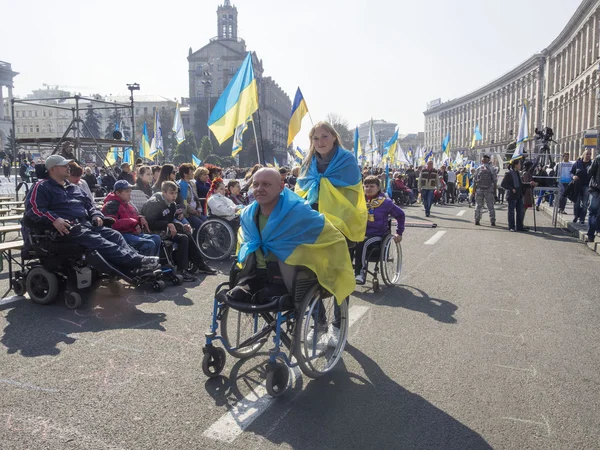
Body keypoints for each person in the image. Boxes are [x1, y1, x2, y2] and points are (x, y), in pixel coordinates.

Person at [224, 168, 354, 349]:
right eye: (256, 184)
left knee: (266, 296)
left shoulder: (299, 212)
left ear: (281, 187)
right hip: (258, 274)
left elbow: (330, 236)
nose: (260, 188)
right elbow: (244, 243)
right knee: (233, 294)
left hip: (287, 277)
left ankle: (324, 323)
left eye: (267, 184)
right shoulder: (247, 214)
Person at [25, 155, 160, 276]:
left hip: (86, 224)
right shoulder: (42, 186)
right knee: (98, 240)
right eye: (64, 165)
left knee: (114, 235)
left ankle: (133, 263)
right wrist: (54, 219)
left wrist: (96, 215)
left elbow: (90, 205)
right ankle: (136, 261)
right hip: (65, 229)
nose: (68, 167)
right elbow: (34, 209)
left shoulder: (74, 187)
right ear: (53, 169)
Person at [295, 121, 367, 347]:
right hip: (312, 223)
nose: (320, 142)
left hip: (340, 224)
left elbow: (351, 192)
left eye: (324, 136)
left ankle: (338, 325)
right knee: (308, 274)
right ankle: (319, 324)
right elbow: (301, 190)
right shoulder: (307, 162)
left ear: (334, 137)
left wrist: (325, 188)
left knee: (337, 275)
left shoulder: (346, 160)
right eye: (315, 138)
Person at [142, 180, 216, 280]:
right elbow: (150, 222)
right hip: (152, 232)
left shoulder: (172, 204)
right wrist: (168, 224)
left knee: (186, 232)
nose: (174, 196)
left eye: (176, 193)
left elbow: (171, 219)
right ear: (164, 192)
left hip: (166, 229)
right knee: (183, 238)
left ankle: (200, 264)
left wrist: (181, 225)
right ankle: (182, 270)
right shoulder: (153, 203)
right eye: (171, 193)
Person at [354, 176, 405, 285]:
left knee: (363, 242)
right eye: (366, 186)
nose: (368, 188)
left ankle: (360, 273)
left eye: (372, 186)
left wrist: (399, 232)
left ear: (378, 188)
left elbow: (400, 215)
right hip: (359, 232)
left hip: (378, 235)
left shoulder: (385, 203)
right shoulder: (359, 201)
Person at [102, 180, 162, 257]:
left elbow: (132, 218)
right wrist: (133, 222)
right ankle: (144, 266)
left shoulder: (126, 203)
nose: (130, 193)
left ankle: (153, 264)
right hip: (120, 235)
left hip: (131, 232)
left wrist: (140, 218)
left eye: (130, 191)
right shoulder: (111, 205)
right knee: (149, 244)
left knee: (156, 238)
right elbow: (111, 224)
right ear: (118, 193)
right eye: (127, 191)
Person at [501, 157, 526, 232]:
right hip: (512, 195)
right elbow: (503, 184)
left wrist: (529, 185)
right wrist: (511, 189)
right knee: (511, 212)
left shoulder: (518, 173)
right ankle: (511, 226)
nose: (520, 165)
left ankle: (519, 226)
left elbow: (520, 184)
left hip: (519, 194)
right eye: (519, 164)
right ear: (515, 165)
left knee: (520, 211)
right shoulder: (509, 174)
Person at [177, 163, 204, 231]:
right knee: (200, 225)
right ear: (185, 174)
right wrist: (194, 211)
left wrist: (199, 208)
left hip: (196, 211)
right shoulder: (182, 185)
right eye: (191, 172)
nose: (193, 173)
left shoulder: (192, 183)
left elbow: (196, 198)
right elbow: (184, 202)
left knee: (206, 221)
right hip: (188, 213)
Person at [474, 154, 497, 226]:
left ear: (482, 160)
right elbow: (495, 181)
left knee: (478, 205)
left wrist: (473, 191)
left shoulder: (478, 168)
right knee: (490, 206)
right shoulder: (492, 169)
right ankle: (492, 220)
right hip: (489, 190)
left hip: (479, 189)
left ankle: (477, 219)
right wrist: (495, 192)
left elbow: (475, 181)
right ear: (488, 160)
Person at [570, 149, 593, 224]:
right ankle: (576, 216)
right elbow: (571, 172)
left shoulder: (592, 164)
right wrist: (573, 176)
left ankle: (582, 218)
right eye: (587, 154)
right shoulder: (577, 163)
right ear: (583, 155)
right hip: (577, 185)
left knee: (585, 203)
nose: (588, 156)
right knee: (576, 201)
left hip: (587, 185)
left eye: (590, 154)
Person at [586, 152, 600, 243]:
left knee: (593, 212)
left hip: (595, 188)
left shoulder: (598, 158)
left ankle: (591, 235)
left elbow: (590, 172)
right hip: (596, 188)